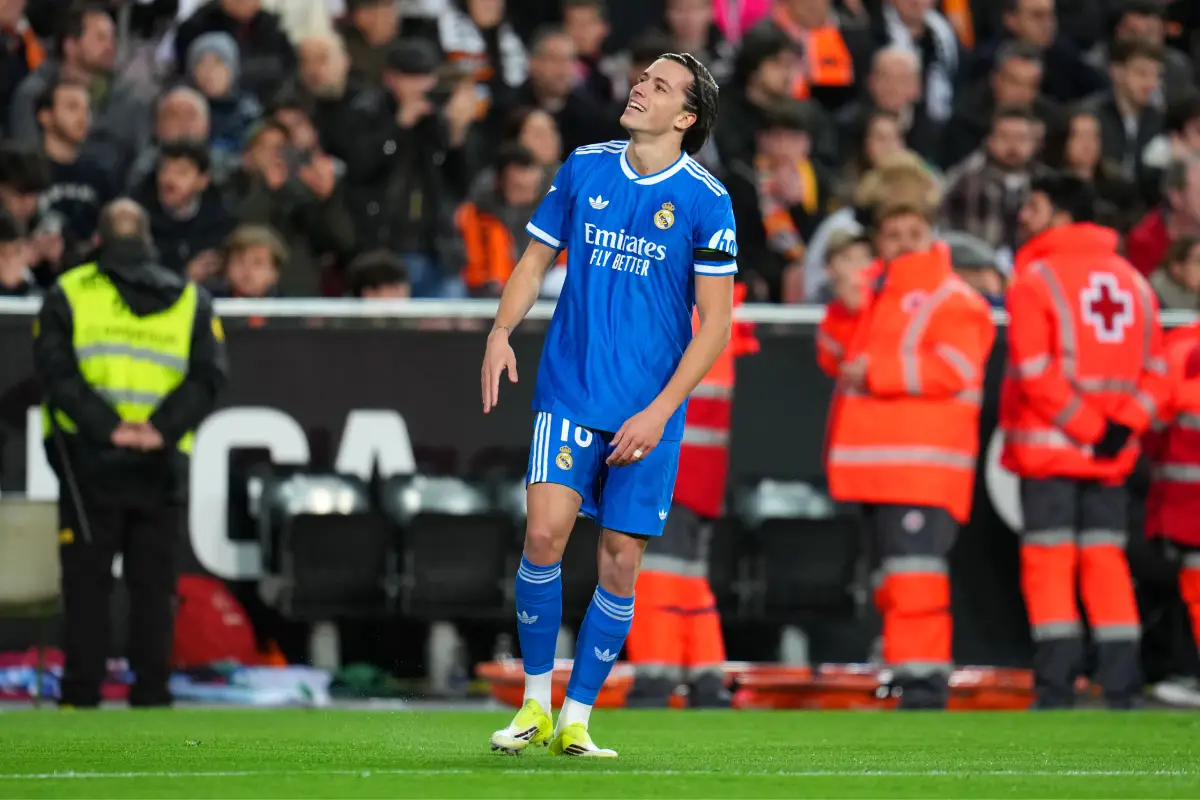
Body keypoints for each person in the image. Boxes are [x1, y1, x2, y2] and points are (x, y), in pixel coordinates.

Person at [480, 52, 736, 757]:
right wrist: (502, 331)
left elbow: (715, 325)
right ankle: (534, 701)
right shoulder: (586, 166)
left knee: (621, 559)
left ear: (685, 117)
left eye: (659, 86)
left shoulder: (706, 201)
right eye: (641, 78)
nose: (639, 87)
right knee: (543, 536)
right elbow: (534, 260)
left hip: (647, 410)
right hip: (571, 388)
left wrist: (660, 412)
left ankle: (578, 716)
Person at [816, 154, 996, 710]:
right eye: (892, 233)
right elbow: (829, 357)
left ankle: (923, 685)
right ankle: (905, 673)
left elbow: (957, 368)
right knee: (894, 583)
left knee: (915, 581)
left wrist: (877, 373)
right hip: (876, 469)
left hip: (921, 471)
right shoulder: (871, 294)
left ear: (931, 230)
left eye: (913, 231)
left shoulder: (953, 297)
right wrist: (845, 314)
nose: (902, 242)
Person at [33, 198, 228, 708]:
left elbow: (55, 372)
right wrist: (159, 430)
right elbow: (209, 378)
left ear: (97, 240)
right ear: (150, 240)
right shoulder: (191, 299)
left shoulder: (69, 293)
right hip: (159, 464)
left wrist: (110, 428)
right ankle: (153, 693)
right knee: (154, 588)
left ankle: (80, 694)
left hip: (89, 459)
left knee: (87, 584)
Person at [1001, 172, 1170, 709]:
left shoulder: (1035, 279)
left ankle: (1056, 689)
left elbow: (1034, 370)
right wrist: (1119, 429)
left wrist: (1090, 430)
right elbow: (1158, 372)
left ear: (1058, 212)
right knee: (1107, 565)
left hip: (1053, 451)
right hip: (1112, 458)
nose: (1026, 215)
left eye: (1035, 204)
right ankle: (1121, 687)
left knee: (1050, 569)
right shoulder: (1135, 281)